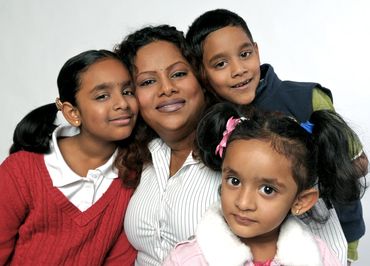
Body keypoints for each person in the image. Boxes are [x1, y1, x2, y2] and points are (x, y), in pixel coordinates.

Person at [185, 8, 368, 264]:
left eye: (245, 54)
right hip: (260, 247)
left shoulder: (305, 98)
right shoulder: (214, 120)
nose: (238, 69)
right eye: (221, 63)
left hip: (332, 236)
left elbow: (360, 164)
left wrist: (302, 160)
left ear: (257, 51)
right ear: (202, 72)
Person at [163, 102, 365, 266]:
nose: (243, 203)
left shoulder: (318, 257)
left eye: (267, 190)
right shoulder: (188, 260)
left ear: (301, 201)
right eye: (234, 181)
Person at [0, 50, 138, 265]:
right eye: (102, 96)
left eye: (128, 91)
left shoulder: (132, 176)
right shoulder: (21, 170)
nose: (123, 104)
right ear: (72, 113)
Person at [114, 25, 221, 265]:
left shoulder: (240, 148)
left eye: (178, 74)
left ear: (201, 80)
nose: (166, 88)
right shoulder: (141, 158)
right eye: (148, 81)